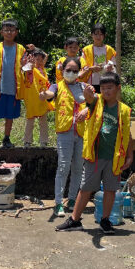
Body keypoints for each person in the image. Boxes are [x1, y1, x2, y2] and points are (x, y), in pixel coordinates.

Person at [56, 72, 133, 234]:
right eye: (103, 88)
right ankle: (75, 220)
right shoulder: (96, 102)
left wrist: (130, 155)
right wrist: (88, 93)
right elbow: (89, 97)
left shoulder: (124, 110)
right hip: (94, 156)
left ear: (118, 88)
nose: (106, 91)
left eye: (109, 88)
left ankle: (105, 220)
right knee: (85, 188)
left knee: (111, 190)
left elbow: (127, 134)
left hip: (114, 158)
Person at [39, 57, 87, 216]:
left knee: (78, 167)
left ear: (79, 72)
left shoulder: (84, 87)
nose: (72, 73)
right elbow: (49, 94)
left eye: (75, 70)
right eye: (68, 70)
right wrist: (44, 94)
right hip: (65, 131)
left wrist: (86, 110)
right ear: (62, 70)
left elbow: (95, 103)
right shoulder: (57, 86)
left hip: (81, 131)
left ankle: (72, 199)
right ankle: (59, 202)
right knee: (63, 166)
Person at [0, 19, 29, 149]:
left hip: (14, 87)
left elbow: (23, 67)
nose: (9, 32)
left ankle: (6, 138)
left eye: (12, 30)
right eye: (6, 30)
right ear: (1, 32)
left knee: (10, 115)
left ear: (16, 32)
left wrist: (25, 65)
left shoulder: (21, 48)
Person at [23, 49, 53, 147]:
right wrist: (31, 61)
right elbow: (28, 68)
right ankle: (27, 141)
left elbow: (46, 54)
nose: (39, 62)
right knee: (30, 120)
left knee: (43, 121)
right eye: (37, 59)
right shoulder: (29, 68)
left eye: (41, 60)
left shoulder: (42, 69)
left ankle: (43, 142)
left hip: (42, 99)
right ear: (32, 59)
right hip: (32, 99)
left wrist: (35, 48)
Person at [81, 23, 117, 91]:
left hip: (106, 83)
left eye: (101, 34)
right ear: (91, 35)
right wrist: (92, 68)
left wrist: (110, 68)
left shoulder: (110, 50)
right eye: (96, 34)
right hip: (89, 83)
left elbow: (114, 66)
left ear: (104, 35)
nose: (98, 37)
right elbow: (82, 67)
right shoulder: (86, 50)